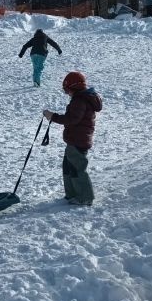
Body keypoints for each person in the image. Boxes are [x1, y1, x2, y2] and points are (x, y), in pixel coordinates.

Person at [42, 71, 103, 206]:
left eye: (67, 90)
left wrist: (53, 116)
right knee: (68, 167)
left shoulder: (79, 100)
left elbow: (72, 119)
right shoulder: (81, 99)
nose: (67, 93)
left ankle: (85, 197)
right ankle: (72, 194)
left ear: (75, 88)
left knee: (77, 168)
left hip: (78, 140)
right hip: (75, 140)